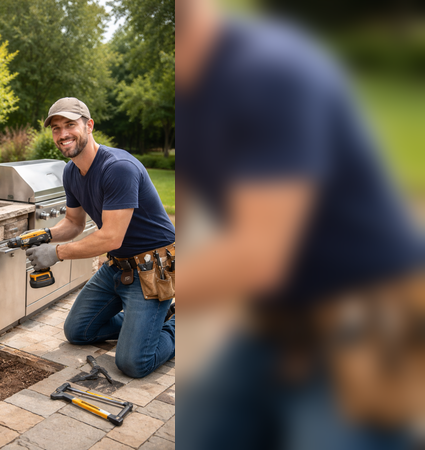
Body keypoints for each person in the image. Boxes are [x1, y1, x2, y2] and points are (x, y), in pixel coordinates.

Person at [177, 0, 424, 448]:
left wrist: (156, 282)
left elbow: (258, 255)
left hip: (363, 308)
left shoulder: (270, 71)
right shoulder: (191, 99)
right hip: (277, 311)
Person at [25, 97, 177, 379]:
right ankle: (143, 324)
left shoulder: (117, 168)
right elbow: (73, 222)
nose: (62, 134)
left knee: (133, 363)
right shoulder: (71, 171)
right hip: (118, 267)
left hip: (152, 268)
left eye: (70, 125)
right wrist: (44, 235)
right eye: (56, 128)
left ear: (89, 125)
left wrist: (57, 253)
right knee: (78, 331)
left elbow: (111, 237)